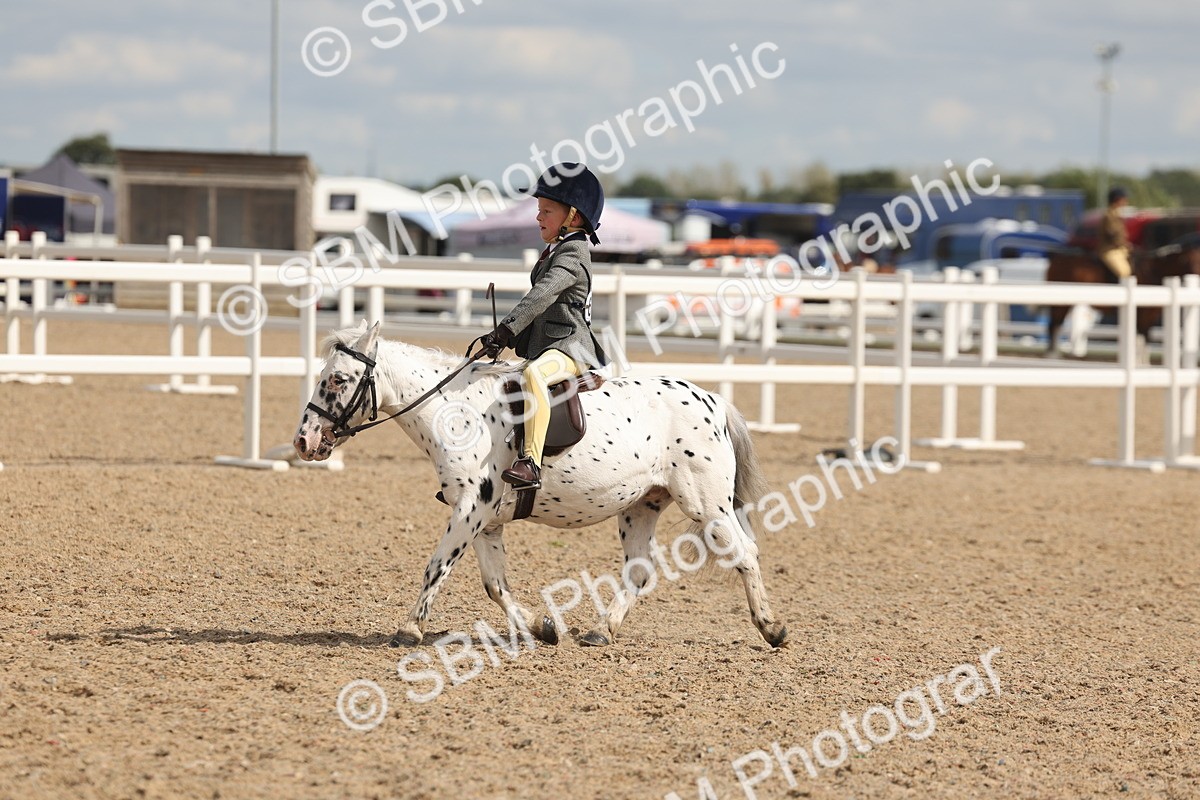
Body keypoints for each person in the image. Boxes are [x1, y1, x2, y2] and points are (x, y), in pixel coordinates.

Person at [481, 163, 609, 489]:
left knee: (534, 375)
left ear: (573, 217)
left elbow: (544, 293)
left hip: (573, 346)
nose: (538, 217)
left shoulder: (573, 253)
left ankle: (531, 464)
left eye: (547, 211)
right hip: (551, 343)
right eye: (539, 210)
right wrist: (507, 337)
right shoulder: (556, 249)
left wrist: (506, 329)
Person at [1098, 186, 1132, 280]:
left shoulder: (1117, 214)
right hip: (1110, 250)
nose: (1126, 202)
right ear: (1117, 200)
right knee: (1124, 272)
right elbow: (1113, 235)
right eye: (1124, 199)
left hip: (1119, 249)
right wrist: (1124, 245)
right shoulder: (1109, 216)